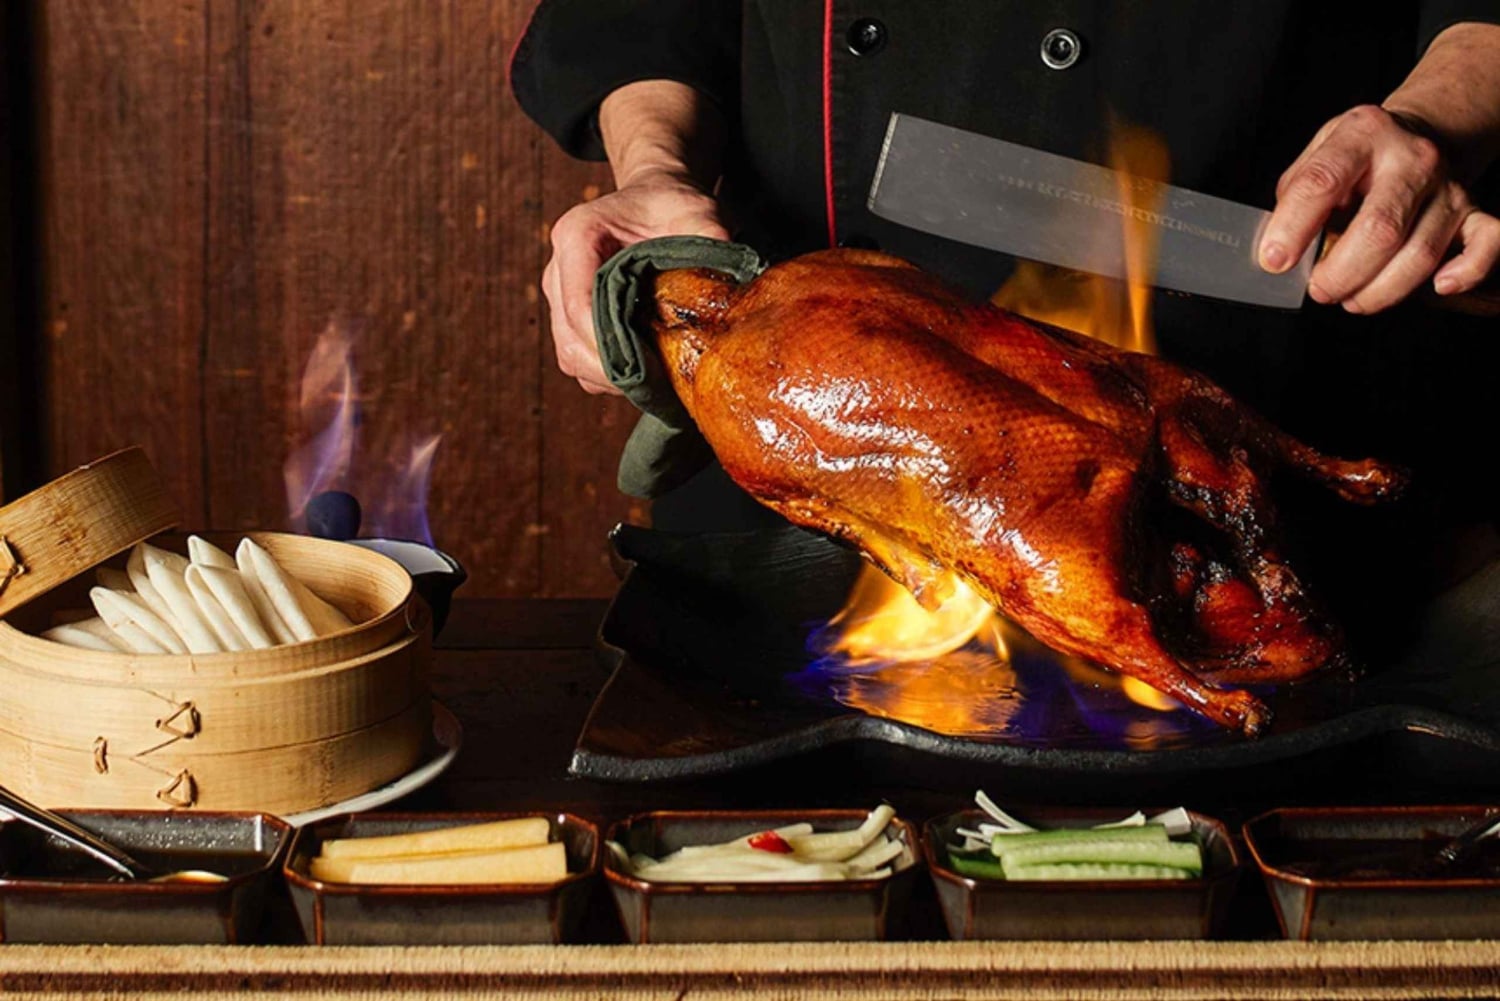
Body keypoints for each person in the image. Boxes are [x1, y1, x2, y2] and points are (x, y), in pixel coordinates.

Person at [511, 3, 1500, 632]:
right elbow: (635, 16)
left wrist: (1434, 121)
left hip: (1304, 408)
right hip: (809, 484)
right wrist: (653, 173)